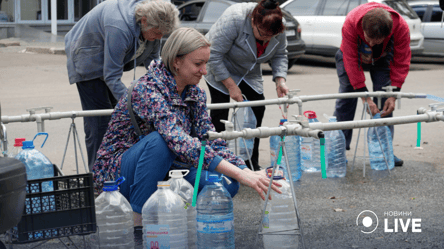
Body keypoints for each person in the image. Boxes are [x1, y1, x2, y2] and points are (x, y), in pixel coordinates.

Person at [92, 27, 282, 241]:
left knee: (225, 183)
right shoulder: (147, 89)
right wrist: (241, 172)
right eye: (198, 64)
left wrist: (244, 170)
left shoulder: (195, 93)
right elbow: (178, 141)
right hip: (119, 176)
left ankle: (184, 223)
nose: (205, 71)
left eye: (206, 63)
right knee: (160, 142)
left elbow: (209, 141)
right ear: (176, 62)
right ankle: (139, 227)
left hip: (167, 166)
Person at [64, 0, 180, 172]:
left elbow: (153, 62)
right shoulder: (119, 26)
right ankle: (99, 177)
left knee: (119, 118)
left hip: (108, 60)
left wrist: (168, 90)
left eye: (163, 34)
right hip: (87, 58)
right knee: (100, 122)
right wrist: (135, 102)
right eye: (156, 33)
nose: (159, 37)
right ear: (144, 21)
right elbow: (111, 75)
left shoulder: (153, 24)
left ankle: (117, 169)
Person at [204, 0, 290, 171]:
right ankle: (217, 163)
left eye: (270, 37)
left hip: (249, 71)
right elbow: (213, 55)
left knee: (257, 109)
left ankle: (250, 161)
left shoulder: (278, 27)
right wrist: (230, 86)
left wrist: (280, 80)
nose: (266, 40)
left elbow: (280, 54)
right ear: (253, 22)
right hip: (221, 66)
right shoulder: (235, 18)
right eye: (263, 34)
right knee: (220, 113)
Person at [333, 2, 411, 167]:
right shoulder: (352, 22)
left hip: (382, 57)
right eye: (369, 39)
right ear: (363, 28)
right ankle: (339, 150)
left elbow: (402, 60)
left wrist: (394, 93)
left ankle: (385, 150)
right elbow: (352, 62)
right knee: (348, 96)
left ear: (388, 33)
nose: (372, 44)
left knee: (384, 98)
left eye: (377, 41)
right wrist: (364, 97)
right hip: (351, 54)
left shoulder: (401, 28)